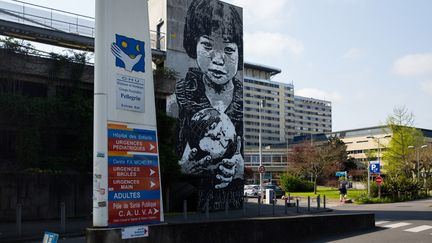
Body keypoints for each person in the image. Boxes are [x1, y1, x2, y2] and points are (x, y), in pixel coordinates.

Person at [176, 0, 243, 190]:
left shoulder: (242, 103)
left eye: (229, 50)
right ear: (193, 44)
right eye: (207, 45)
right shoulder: (180, 97)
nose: (218, 59)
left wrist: (239, 169)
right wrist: (181, 169)